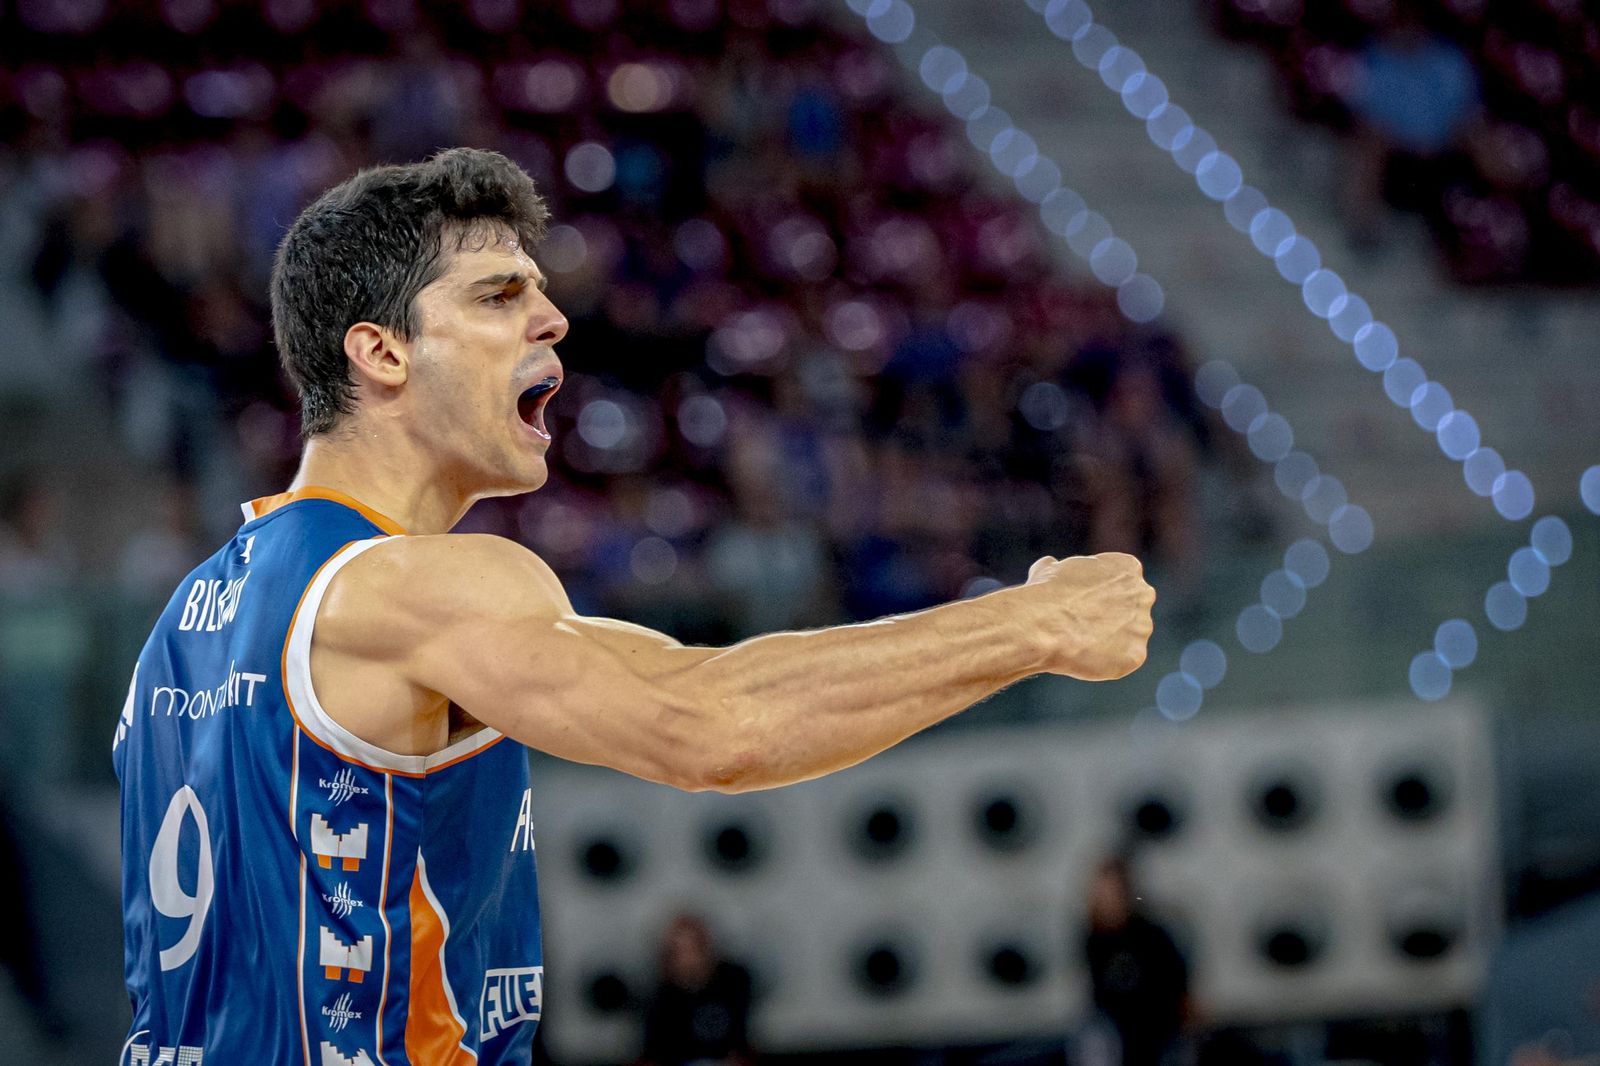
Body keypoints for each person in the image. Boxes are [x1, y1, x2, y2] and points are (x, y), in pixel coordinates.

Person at [112, 147, 1156, 1065]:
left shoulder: (192, 618)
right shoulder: (418, 583)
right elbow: (709, 725)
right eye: (496, 295)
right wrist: (1034, 623)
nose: (552, 314)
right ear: (380, 350)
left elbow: (675, 676)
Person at [1078, 856, 1189, 1066]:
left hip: (1156, 1029)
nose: (1108, 898)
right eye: (1103, 892)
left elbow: (1176, 982)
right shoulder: (1093, 939)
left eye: (1113, 891)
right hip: (1116, 1033)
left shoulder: (1151, 934)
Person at [639, 914, 752, 1066]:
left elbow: (742, 1046)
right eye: (680, 951)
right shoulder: (660, 1000)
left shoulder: (732, 984)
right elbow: (653, 1055)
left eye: (693, 948)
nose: (688, 958)